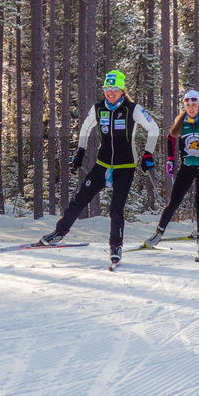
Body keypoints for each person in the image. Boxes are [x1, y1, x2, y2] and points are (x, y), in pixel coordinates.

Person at [39, 70, 160, 265]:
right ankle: (58, 233)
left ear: (122, 90)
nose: (110, 93)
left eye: (114, 89)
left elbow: (154, 128)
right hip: (103, 164)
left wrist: (148, 153)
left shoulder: (133, 109)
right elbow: (85, 128)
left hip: (125, 166)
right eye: (106, 89)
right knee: (79, 199)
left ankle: (116, 247)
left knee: (115, 209)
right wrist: (80, 151)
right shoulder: (99, 108)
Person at [142, 90, 199, 258]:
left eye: (193, 105)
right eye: (187, 105)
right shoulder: (180, 121)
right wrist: (170, 160)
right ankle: (158, 234)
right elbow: (170, 138)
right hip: (187, 167)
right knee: (173, 202)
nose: (190, 108)